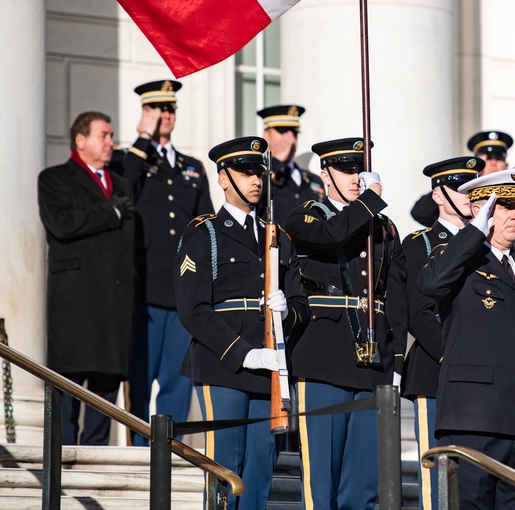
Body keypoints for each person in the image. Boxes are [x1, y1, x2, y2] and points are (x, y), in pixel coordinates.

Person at [174, 136, 309, 510]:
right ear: (222, 178)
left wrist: (286, 313)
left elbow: (300, 301)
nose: (255, 181)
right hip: (224, 364)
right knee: (225, 467)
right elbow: (193, 309)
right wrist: (244, 354)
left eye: (259, 173)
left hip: (269, 366)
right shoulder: (204, 234)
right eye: (245, 172)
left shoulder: (276, 235)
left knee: (261, 468)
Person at [419, 168, 515, 510]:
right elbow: (431, 283)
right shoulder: (459, 258)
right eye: (506, 206)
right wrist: (472, 233)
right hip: (473, 422)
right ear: (483, 210)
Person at [283, 137, 406, 510]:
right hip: (323, 359)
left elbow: (397, 298)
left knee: (364, 486)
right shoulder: (304, 216)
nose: (356, 177)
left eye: (360, 169)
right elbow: (332, 234)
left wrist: (398, 359)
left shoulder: (384, 227)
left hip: (372, 365)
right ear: (325, 174)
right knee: (322, 485)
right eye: (346, 169)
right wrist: (371, 201)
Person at [116, 79, 212, 446]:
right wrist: (142, 139)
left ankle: (168, 453)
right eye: (157, 109)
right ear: (144, 114)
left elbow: (204, 226)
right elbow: (122, 187)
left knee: (177, 382)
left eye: (170, 109)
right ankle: (141, 456)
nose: (165, 116)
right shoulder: (130, 159)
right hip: (144, 291)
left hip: (181, 291)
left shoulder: (192, 167)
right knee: (140, 380)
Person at [38, 111, 136, 445]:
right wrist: (112, 212)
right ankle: (61, 458)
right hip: (75, 301)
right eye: (103, 135)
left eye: (110, 136)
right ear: (81, 140)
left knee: (106, 384)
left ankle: (97, 454)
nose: (111, 142)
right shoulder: (54, 179)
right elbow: (63, 223)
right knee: (67, 382)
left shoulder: (121, 185)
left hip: (113, 301)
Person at [401, 156, 483, 510]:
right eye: (459, 188)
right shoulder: (419, 244)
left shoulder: (486, 244)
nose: (468, 196)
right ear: (438, 195)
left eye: (471, 188)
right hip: (437, 370)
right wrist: (458, 357)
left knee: (476, 479)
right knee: (437, 479)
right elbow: (419, 314)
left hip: (482, 378)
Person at [410, 130, 513, 227]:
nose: (493, 163)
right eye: (488, 159)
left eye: (499, 158)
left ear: (506, 165)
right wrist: (475, 177)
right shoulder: (467, 194)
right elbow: (420, 213)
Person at [255, 104, 324, 225]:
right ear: (266, 136)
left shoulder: (313, 180)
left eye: (294, 133)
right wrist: (276, 162)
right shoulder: (256, 174)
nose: (291, 139)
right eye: (283, 132)